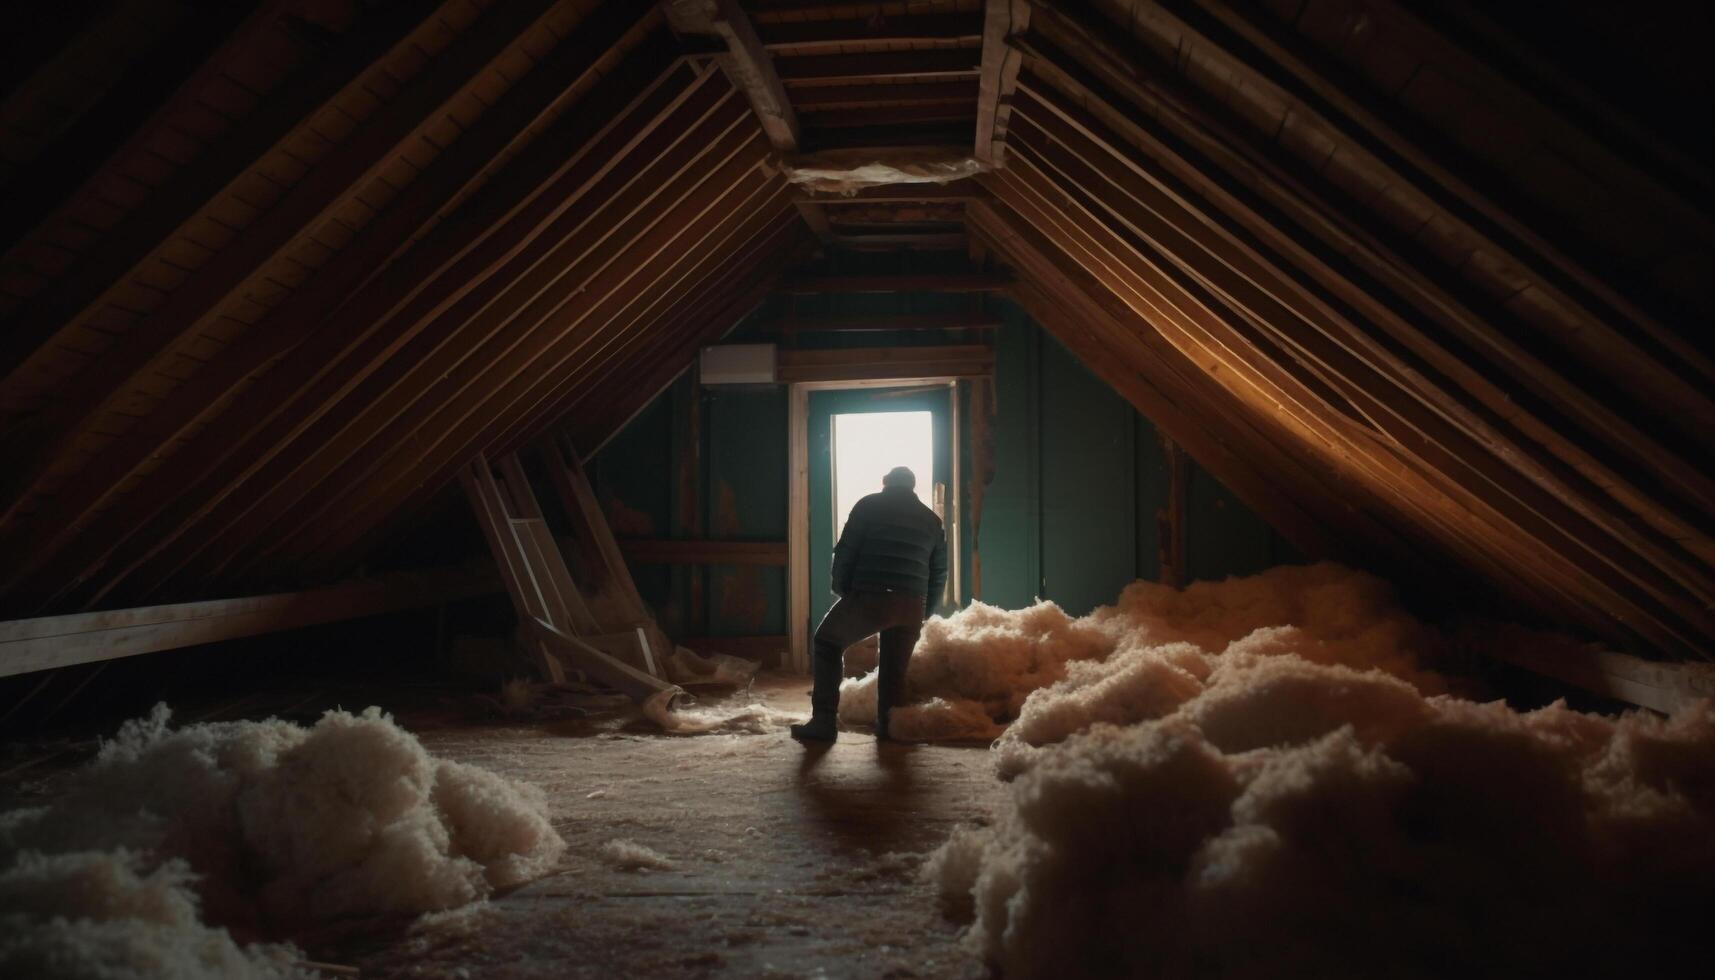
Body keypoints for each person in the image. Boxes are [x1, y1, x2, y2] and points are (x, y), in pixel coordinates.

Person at [791, 465, 947, 742]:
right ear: (912, 487)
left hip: (872, 596)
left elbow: (845, 551)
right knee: (892, 671)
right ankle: (889, 729)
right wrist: (924, 611)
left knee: (827, 643)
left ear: (886, 483)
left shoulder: (868, 506)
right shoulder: (932, 521)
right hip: (911, 605)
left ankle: (824, 721)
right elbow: (939, 573)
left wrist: (843, 590)